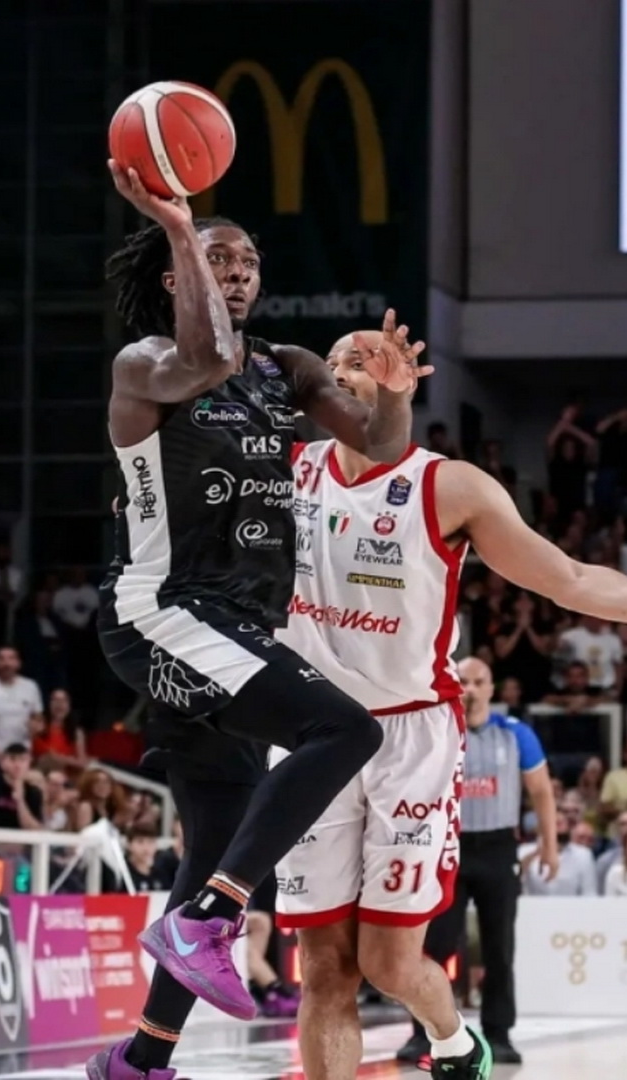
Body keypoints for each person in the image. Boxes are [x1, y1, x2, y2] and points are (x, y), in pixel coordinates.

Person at [278, 335, 627, 1079]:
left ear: (405, 383)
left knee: (389, 965)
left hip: (408, 736)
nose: (349, 371)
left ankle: (454, 1038)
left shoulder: (451, 486)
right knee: (325, 966)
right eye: (338, 363)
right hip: (308, 731)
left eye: (367, 360)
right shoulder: (283, 472)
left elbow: (571, 579)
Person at [87, 160, 432, 1080]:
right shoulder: (146, 364)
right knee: (344, 729)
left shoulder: (287, 367)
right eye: (218, 260)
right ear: (177, 277)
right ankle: (212, 916)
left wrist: (396, 391)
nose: (238, 273)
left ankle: (141, 1060)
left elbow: (380, 448)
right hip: (163, 611)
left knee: (212, 838)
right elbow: (203, 359)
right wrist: (177, 225)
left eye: (248, 262)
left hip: (237, 628)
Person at [400, 658, 554, 1064]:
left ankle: (499, 1033)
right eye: (463, 680)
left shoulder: (515, 733)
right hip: (447, 846)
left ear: (491, 688)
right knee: (434, 945)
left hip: (499, 847)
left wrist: (550, 846)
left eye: (478, 681)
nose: (470, 688)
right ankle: (426, 1033)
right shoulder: (438, 728)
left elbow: (541, 791)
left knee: (499, 945)